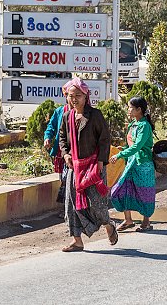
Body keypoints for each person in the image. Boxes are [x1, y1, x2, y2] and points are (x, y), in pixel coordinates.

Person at [58, 78, 118, 252]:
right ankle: (77, 240)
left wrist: (100, 162)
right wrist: (66, 154)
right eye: (71, 96)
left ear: (86, 96)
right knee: (72, 205)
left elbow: (105, 139)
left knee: (97, 204)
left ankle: (108, 224)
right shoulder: (67, 116)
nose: (74, 99)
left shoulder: (95, 115)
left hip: (93, 166)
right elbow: (62, 139)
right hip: (74, 168)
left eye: (78, 95)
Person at [109, 97, 156, 232]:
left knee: (145, 192)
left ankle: (146, 222)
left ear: (138, 110)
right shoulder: (132, 125)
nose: (128, 110)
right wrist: (122, 150)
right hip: (131, 163)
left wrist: (119, 155)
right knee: (121, 189)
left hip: (143, 165)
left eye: (130, 107)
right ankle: (128, 220)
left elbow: (137, 146)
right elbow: (131, 146)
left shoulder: (144, 126)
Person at [44, 84, 73, 209]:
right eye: (69, 96)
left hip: (77, 153)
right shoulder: (60, 111)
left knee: (72, 179)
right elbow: (51, 127)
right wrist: (47, 138)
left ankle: (72, 207)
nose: (72, 99)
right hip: (62, 151)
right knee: (64, 178)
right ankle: (67, 207)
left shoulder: (85, 113)